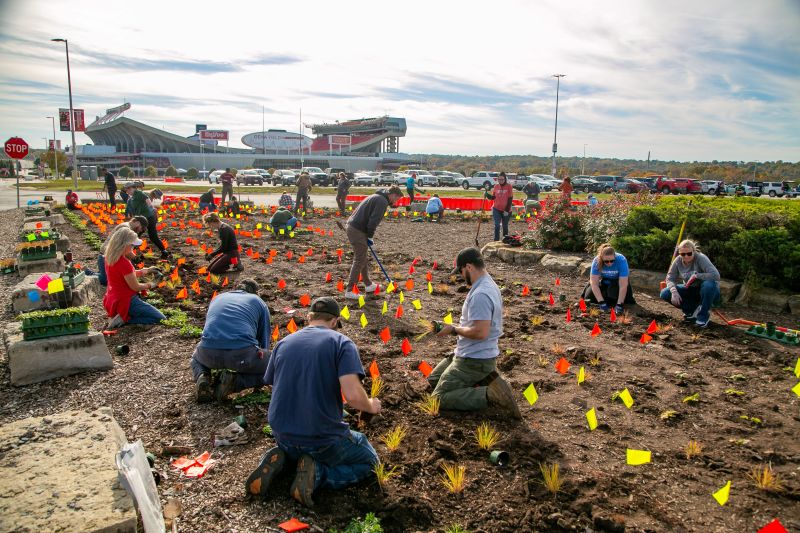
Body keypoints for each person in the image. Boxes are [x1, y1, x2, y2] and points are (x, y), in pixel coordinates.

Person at [245, 297, 380, 506]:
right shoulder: (341, 343)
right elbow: (353, 396)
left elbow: (274, 384)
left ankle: (285, 461)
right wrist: (371, 405)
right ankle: (319, 474)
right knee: (371, 463)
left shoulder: (283, 343)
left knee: (299, 449)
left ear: (309, 317)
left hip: (282, 433)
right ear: (335, 321)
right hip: (322, 438)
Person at [427, 248, 521, 418]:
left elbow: (480, 332)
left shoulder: (480, 295)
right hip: (471, 353)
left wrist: (453, 329)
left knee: (438, 398)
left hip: (474, 360)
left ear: (469, 267)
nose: (461, 276)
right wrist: (451, 327)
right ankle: (483, 381)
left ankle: (490, 394)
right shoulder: (488, 283)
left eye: (461, 271)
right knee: (434, 379)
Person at [190, 279, 270, 402]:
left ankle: (203, 376)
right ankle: (235, 382)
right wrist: (261, 359)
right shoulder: (258, 301)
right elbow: (263, 339)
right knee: (276, 365)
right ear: (255, 292)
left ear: (236, 288)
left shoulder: (217, 298)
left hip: (208, 352)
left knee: (195, 358)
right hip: (241, 355)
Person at [344, 186, 404, 299]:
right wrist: (370, 236)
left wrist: (368, 235)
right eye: (396, 199)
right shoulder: (382, 201)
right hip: (357, 229)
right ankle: (350, 290)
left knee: (362, 258)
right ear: (392, 195)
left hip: (355, 227)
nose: (395, 202)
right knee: (359, 260)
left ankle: (368, 285)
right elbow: (373, 221)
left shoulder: (376, 196)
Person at [102, 227, 165, 328]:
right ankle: (125, 319)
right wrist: (151, 284)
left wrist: (145, 271)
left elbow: (125, 275)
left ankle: (123, 315)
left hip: (113, 298)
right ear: (124, 244)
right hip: (126, 301)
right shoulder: (124, 263)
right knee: (160, 318)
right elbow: (135, 287)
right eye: (131, 245)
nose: (133, 248)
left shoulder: (110, 257)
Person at [660, 239, 721, 328]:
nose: (686, 256)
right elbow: (670, 278)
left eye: (689, 253)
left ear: (694, 251)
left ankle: (703, 316)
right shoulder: (678, 260)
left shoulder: (701, 258)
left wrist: (697, 276)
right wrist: (674, 292)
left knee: (708, 284)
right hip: (691, 289)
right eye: (683, 254)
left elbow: (716, 275)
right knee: (665, 293)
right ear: (679, 253)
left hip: (709, 291)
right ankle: (692, 311)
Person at [582, 243, 636, 313]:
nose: (609, 263)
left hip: (617, 282)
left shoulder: (621, 260)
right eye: (606, 261)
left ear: (615, 257)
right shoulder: (596, 261)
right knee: (588, 297)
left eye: (612, 261)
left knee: (613, 298)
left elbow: (623, 285)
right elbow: (594, 283)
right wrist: (601, 302)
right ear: (602, 258)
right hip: (605, 282)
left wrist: (619, 304)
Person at [97, 215, 148, 286]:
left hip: (113, 256)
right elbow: (123, 248)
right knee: (105, 280)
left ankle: (102, 273)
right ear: (137, 222)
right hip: (106, 256)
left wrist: (135, 258)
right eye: (141, 228)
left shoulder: (129, 228)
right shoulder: (125, 229)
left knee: (116, 277)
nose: (140, 230)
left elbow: (126, 250)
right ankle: (87, 272)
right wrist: (135, 258)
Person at [127, 182, 170, 258]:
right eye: (156, 197)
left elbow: (148, 206)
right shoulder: (138, 196)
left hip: (146, 217)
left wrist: (152, 210)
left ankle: (129, 251)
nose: (156, 198)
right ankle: (164, 251)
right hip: (147, 217)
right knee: (149, 235)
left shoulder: (140, 195)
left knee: (137, 234)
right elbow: (143, 207)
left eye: (128, 189)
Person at [484, 172, 514, 241]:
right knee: (497, 225)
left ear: (505, 179)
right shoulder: (496, 186)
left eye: (502, 179)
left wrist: (506, 210)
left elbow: (510, 199)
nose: (501, 181)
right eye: (499, 179)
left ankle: (505, 240)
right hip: (496, 209)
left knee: (505, 226)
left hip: (506, 210)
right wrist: (487, 195)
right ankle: (496, 241)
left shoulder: (509, 186)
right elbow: (493, 197)